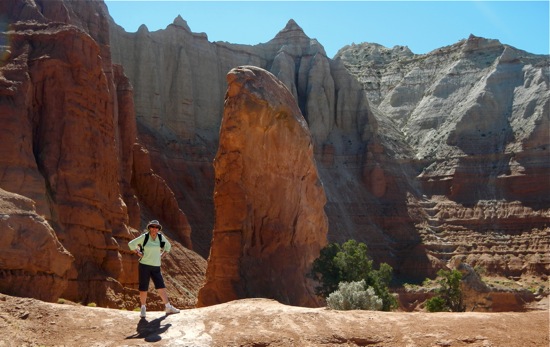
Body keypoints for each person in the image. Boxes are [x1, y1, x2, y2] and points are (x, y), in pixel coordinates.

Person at [128, 219, 180, 318]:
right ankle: (143, 308)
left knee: (161, 286)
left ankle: (168, 307)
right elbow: (131, 244)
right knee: (143, 287)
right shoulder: (145, 237)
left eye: (156, 227)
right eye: (152, 227)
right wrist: (138, 253)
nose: (154, 229)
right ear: (149, 228)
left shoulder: (160, 237)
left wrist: (161, 255)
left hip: (156, 266)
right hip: (144, 265)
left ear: (158, 229)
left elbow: (168, 247)